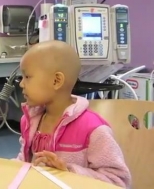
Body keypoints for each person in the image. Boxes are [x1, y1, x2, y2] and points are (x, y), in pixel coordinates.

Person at [14, 40, 131, 188]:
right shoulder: (30, 121)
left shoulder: (94, 130)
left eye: (27, 77)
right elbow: (25, 162)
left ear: (56, 81)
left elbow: (118, 182)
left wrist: (68, 172)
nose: (21, 84)